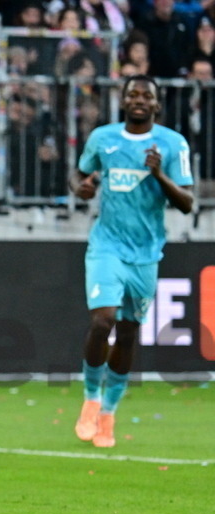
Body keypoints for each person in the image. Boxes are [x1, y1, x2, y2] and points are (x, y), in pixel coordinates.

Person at [70, 75, 194, 448]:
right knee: (102, 320)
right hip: (107, 245)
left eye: (147, 96)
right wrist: (83, 187)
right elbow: (81, 175)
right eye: (133, 94)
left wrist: (158, 174)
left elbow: (187, 203)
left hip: (145, 253)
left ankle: (109, 412)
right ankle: (91, 398)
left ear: (156, 105)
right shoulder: (103, 139)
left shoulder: (173, 144)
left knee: (127, 332)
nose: (139, 100)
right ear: (123, 101)